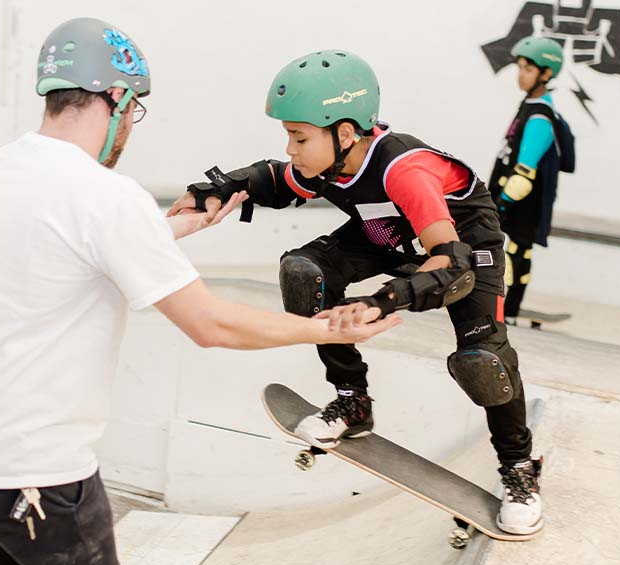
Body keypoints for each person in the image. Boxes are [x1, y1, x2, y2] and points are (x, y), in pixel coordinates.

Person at [0, 20, 398, 565]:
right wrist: (328, 330)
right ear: (119, 100)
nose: (132, 126)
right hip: (25, 469)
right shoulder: (106, 195)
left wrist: (174, 228)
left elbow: (66, 249)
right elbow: (211, 325)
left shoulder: (0, 169)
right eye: (136, 110)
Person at [170, 50, 544, 537]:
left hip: (463, 245)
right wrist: (212, 192)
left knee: (482, 361)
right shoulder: (331, 161)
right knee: (307, 272)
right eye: (289, 136)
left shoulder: (402, 170)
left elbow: (449, 265)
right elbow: (272, 181)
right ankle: (352, 402)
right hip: (384, 231)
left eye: (299, 137)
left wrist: (381, 301)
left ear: (344, 133)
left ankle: (519, 467)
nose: (292, 149)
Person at [487, 36, 572, 324]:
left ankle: (506, 311)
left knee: (512, 254)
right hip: (517, 202)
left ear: (546, 73)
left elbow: (524, 172)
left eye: (528, 69)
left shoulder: (540, 116)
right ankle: (508, 309)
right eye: (520, 67)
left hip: (520, 202)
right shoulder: (532, 104)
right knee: (516, 252)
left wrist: (499, 204)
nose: (520, 74)